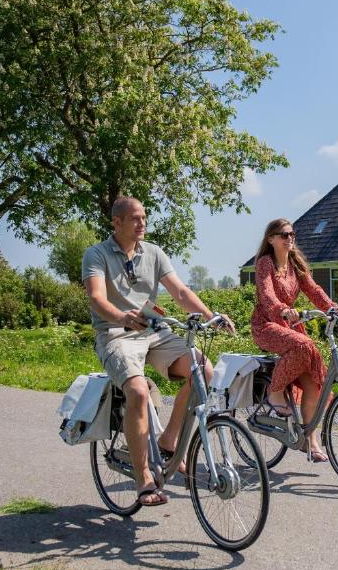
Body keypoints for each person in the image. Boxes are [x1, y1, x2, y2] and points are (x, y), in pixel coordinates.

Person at [82, 196, 233, 506]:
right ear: (117, 222)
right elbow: (97, 298)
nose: (143, 223)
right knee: (137, 392)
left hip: (154, 332)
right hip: (115, 334)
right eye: (135, 218)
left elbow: (179, 291)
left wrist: (210, 316)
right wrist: (122, 316)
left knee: (202, 370)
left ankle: (169, 440)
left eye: (145, 218)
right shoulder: (95, 255)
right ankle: (144, 480)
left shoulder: (154, 253)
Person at [251, 218, 338, 462]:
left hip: (290, 325)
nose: (290, 238)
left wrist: (333, 308)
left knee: (313, 382)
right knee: (303, 345)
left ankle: (310, 440)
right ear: (271, 239)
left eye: (292, 234)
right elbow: (267, 296)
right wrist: (282, 309)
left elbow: (314, 290)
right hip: (267, 325)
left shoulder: (295, 264)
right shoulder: (264, 263)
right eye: (284, 234)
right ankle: (274, 390)